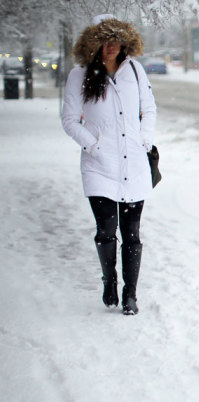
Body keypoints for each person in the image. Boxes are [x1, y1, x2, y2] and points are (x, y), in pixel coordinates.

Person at [61, 14, 156, 315]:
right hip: (99, 164)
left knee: (132, 233)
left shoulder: (136, 72)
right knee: (106, 231)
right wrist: (94, 144)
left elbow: (149, 109)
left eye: (116, 40)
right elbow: (69, 120)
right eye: (104, 40)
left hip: (134, 165)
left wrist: (144, 140)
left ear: (125, 42)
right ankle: (109, 280)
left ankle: (131, 293)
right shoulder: (79, 75)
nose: (111, 45)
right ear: (94, 43)